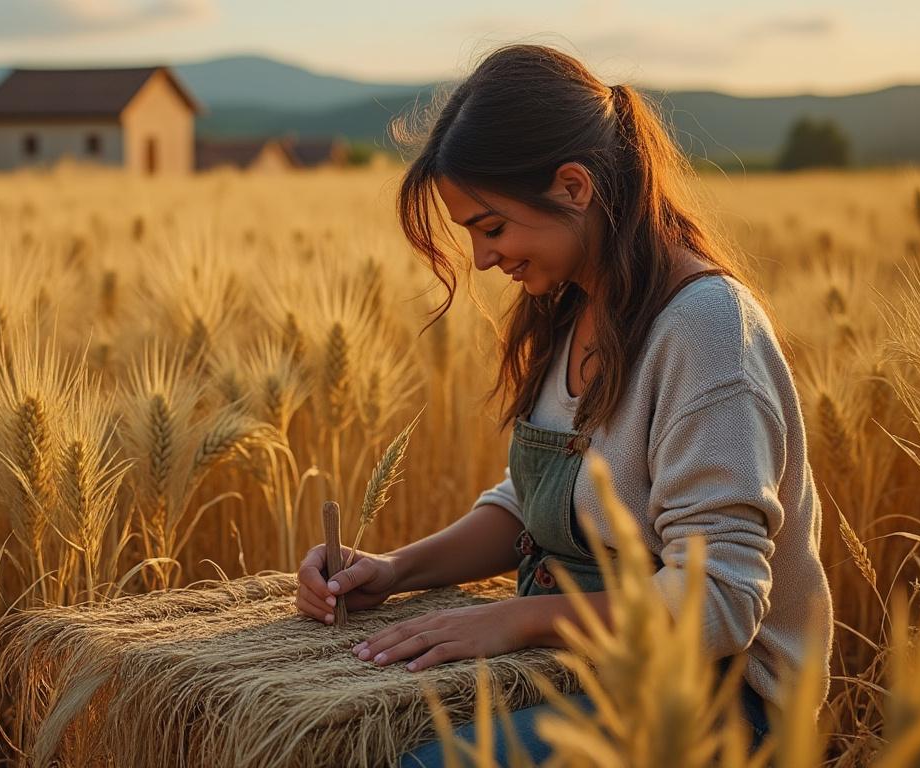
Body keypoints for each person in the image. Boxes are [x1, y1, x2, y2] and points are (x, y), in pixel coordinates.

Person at [292, 43, 833, 765]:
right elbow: (535, 502)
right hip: (584, 666)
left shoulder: (705, 332)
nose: (482, 260)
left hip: (720, 700)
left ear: (574, 186)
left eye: (491, 227)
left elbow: (719, 604)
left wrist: (520, 620)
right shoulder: (573, 306)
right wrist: (393, 570)